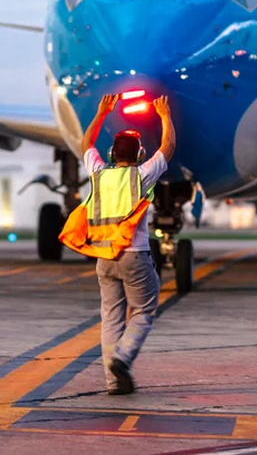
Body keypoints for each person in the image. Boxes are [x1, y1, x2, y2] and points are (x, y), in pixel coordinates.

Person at [79, 93, 176, 395]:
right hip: (134, 256)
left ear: (111, 153)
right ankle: (123, 357)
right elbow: (168, 147)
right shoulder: (141, 175)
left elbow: (86, 145)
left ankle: (112, 382)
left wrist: (101, 113)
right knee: (145, 310)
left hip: (104, 256)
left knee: (110, 316)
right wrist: (164, 115)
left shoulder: (98, 173)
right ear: (138, 155)